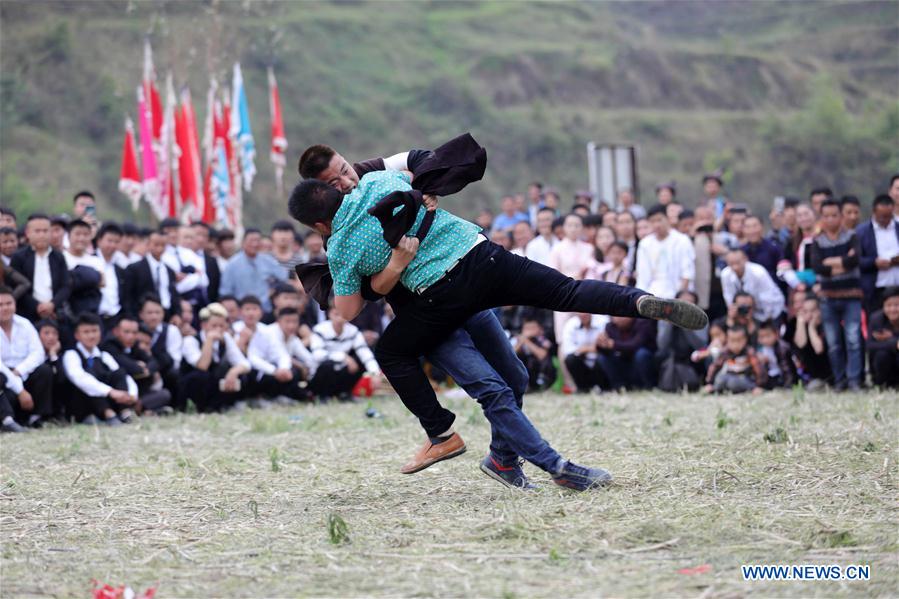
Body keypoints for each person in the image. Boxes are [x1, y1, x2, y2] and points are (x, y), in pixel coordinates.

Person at [290, 170, 707, 489]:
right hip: (482, 253)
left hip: (439, 298)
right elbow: (418, 169)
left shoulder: (340, 243)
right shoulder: (381, 179)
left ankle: (455, 437)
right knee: (566, 293)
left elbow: (346, 309)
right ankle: (636, 301)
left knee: (481, 380)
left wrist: (386, 268)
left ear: (318, 225)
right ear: (339, 187)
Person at [810, 199, 864, 391]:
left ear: (841, 217)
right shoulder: (816, 242)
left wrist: (830, 263)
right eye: (826, 216)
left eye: (835, 215)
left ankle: (855, 381)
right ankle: (840, 381)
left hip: (851, 297)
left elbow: (854, 260)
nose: (831, 219)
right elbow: (817, 267)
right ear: (821, 218)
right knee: (833, 343)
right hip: (828, 298)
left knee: (853, 340)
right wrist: (842, 262)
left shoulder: (852, 236)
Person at [62, 312, 138, 425]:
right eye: (86, 332)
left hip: (108, 399)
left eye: (94, 331)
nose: (91, 336)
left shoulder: (104, 355)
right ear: (77, 335)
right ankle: (108, 414)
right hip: (81, 405)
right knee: (90, 380)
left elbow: (123, 376)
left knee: (118, 373)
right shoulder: (71, 355)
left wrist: (132, 395)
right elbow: (80, 379)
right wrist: (110, 392)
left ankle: (125, 411)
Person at [180, 302, 250, 413]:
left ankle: (226, 405)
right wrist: (209, 340)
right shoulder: (190, 340)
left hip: (215, 383)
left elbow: (244, 363)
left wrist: (233, 372)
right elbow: (202, 366)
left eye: (221, 326)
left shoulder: (225, 338)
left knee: (240, 375)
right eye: (214, 326)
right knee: (201, 377)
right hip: (193, 386)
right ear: (203, 325)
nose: (218, 329)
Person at [0, 286, 54, 428]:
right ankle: (8, 421)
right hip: (3, 376)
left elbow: (38, 353)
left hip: (23, 371)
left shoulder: (24, 324)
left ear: (15, 305)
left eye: (8, 304)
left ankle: (37, 418)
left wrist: (19, 371)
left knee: (45, 370)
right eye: (0, 305)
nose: (5, 308)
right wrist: (20, 390)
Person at [99, 315, 172, 414]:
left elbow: (153, 362)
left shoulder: (135, 345)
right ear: (116, 331)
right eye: (126, 332)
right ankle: (141, 410)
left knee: (165, 394)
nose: (131, 336)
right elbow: (131, 367)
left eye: (134, 332)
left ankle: (141, 408)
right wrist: (139, 367)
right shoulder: (109, 346)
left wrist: (146, 369)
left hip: (137, 392)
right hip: (117, 393)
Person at [309, 305, 379, 402]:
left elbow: (365, 353)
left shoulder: (353, 331)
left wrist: (374, 373)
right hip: (319, 376)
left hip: (341, 370)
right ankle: (322, 396)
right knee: (328, 365)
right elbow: (317, 355)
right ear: (330, 314)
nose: (339, 318)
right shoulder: (319, 330)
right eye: (336, 314)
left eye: (342, 314)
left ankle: (344, 393)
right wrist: (343, 357)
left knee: (359, 362)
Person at [10, 214, 71, 323]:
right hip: (26, 315)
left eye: (45, 231)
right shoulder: (19, 257)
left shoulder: (58, 257)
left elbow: (65, 285)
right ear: (28, 233)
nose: (42, 235)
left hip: (55, 314)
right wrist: (38, 307)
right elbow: (15, 286)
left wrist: (52, 304)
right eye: (37, 231)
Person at [636, 204, 695, 299]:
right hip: (652, 294)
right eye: (652, 221)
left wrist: (680, 297)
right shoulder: (645, 244)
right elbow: (642, 276)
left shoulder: (682, 240)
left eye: (659, 220)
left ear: (667, 219)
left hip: (677, 293)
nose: (656, 225)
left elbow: (687, 272)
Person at [220, 229, 287, 312]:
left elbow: (284, 277)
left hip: (265, 309)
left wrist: (274, 289)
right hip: (241, 311)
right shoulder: (232, 264)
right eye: (251, 240)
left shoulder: (268, 260)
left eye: (258, 240)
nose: (255, 244)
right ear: (243, 242)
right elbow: (225, 291)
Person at [656, 290, 708, 392]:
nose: (685, 307)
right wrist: (670, 321)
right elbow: (661, 345)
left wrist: (686, 325)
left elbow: (701, 345)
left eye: (689, 304)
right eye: (682, 303)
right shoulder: (665, 317)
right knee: (658, 355)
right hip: (671, 355)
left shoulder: (702, 319)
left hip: (692, 356)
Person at [124, 230, 181, 319]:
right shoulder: (134, 269)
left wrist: (176, 314)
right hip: (142, 316)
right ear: (148, 244)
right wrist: (132, 317)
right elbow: (128, 297)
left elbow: (173, 294)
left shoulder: (169, 270)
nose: (159, 248)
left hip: (166, 314)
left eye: (163, 245)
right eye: (156, 244)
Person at [856, 194, 899, 313]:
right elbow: (856, 260)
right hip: (875, 289)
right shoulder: (862, 232)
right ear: (874, 212)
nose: (885, 220)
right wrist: (873, 262)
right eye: (882, 217)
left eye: (888, 216)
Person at [137, 296, 182, 408]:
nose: (154, 316)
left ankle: (173, 405)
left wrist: (153, 366)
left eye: (158, 312)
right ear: (141, 314)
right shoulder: (134, 330)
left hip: (164, 371)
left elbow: (175, 360)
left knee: (174, 373)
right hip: (140, 372)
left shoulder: (171, 330)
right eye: (150, 313)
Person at [720, 249, 785, 323]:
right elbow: (729, 297)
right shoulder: (725, 274)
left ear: (745, 259)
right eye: (731, 263)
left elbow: (768, 299)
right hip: (745, 313)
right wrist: (735, 312)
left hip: (770, 310)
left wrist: (764, 320)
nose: (735, 267)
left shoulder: (758, 273)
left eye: (738, 263)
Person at [596, 316, 657, 391]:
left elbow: (635, 344)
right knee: (603, 357)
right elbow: (606, 350)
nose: (620, 317)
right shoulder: (610, 326)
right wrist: (600, 344)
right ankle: (619, 386)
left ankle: (648, 385)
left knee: (642, 354)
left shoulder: (642, 323)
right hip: (623, 364)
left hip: (640, 364)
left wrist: (613, 344)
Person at [704, 326, 765, 394]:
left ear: (745, 340)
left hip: (744, 378)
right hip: (729, 376)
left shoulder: (749, 352)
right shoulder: (726, 352)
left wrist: (758, 385)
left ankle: (751, 388)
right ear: (727, 340)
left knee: (733, 383)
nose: (736, 344)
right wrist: (709, 383)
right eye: (732, 341)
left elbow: (758, 369)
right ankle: (714, 389)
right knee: (720, 380)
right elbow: (715, 366)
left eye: (739, 340)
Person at [560, 313, 607, 393]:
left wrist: (583, 349)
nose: (583, 315)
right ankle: (583, 388)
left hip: (599, 363)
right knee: (570, 359)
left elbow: (606, 346)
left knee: (603, 358)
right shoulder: (571, 324)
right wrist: (590, 348)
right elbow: (568, 350)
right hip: (582, 364)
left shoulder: (603, 321)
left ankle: (604, 387)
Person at [790, 296, 830, 390]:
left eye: (812, 311)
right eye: (805, 311)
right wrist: (800, 321)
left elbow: (818, 349)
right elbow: (800, 344)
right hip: (810, 376)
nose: (809, 314)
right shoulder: (800, 326)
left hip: (826, 374)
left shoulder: (826, 327)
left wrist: (812, 328)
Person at [94, 223, 126, 329]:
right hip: (95, 319)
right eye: (109, 241)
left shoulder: (120, 268)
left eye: (116, 242)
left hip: (115, 320)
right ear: (99, 241)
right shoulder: (90, 261)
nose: (112, 245)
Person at [867, 287, 899, 388]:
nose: (893, 309)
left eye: (897, 305)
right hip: (884, 364)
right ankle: (882, 384)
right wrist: (894, 343)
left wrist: (892, 337)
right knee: (882, 355)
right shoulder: (876, 319)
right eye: (888, 305)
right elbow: (870, 346)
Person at [512, 318, 555, 392]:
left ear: (539, 329)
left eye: (532, 328)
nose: (529, 331)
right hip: (526, 371)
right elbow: (511, 354)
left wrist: (527, 341)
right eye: (527, 328)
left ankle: (543, 386)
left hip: (540, 370)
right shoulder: (517, 339)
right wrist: (522, 341)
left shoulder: (542, 339)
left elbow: (543, 356)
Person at [741, 215, 782, 282]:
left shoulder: (774, 248)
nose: (752, 230)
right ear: (743, 230)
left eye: (755, 226)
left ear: (762, 226)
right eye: (748, 227)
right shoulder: (741, 252)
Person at [756, 320, 795, 390]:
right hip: (771, 376)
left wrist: (789, 385)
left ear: (776, 334)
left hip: (783, 376)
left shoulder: (782, 348)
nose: (765, 340)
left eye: (768, 336)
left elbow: (787, 369)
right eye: (762, 337)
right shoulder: (761, 349)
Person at [191, 222, 221, 303]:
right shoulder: (179, 257)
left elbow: (215, 288)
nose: (201, 239)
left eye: (205, 236)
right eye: (198, 234)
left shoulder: (212, 261)